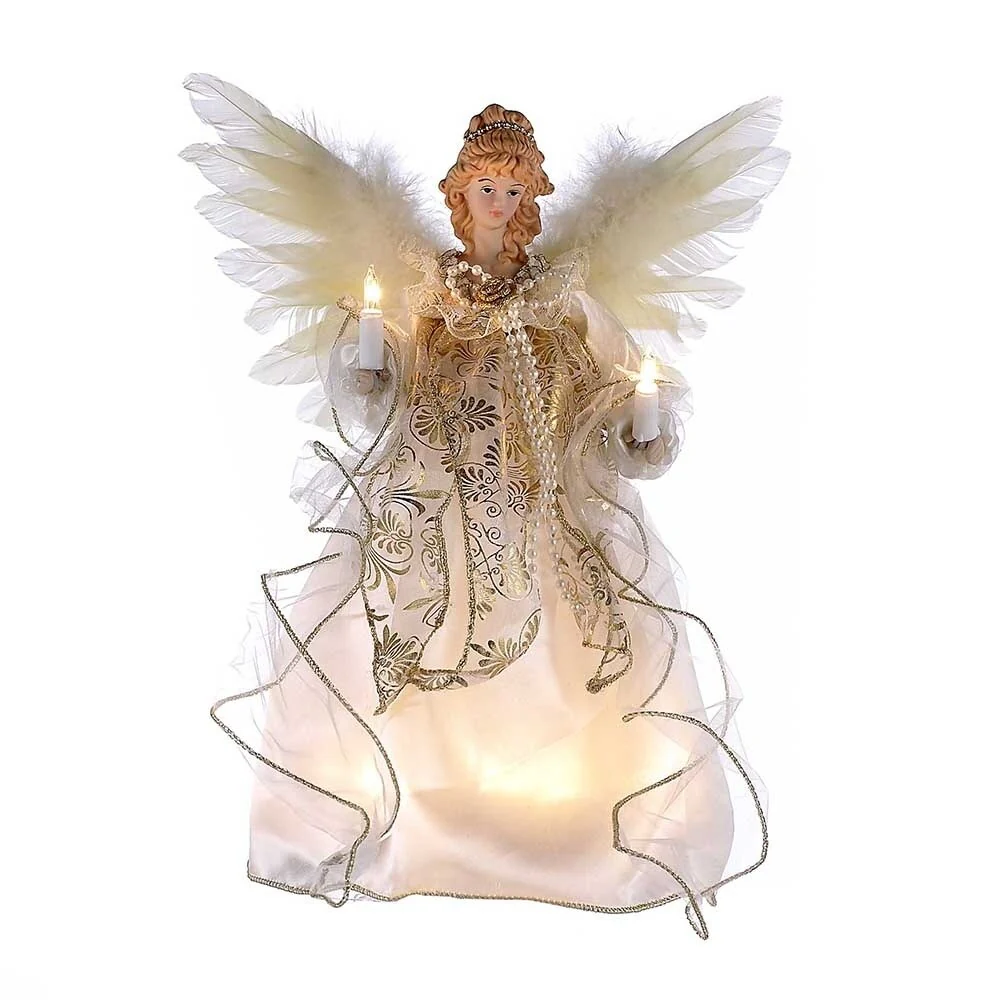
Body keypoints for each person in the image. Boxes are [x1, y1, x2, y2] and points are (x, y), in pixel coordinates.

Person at [181, 74, 789, 937]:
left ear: (530, 199)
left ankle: (562, 821)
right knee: (409, 632)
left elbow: (616, 388)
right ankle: (420, 809)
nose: (498, 205)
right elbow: (383, 383)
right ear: (460, 195)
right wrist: (370, 360)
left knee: (565, 653)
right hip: (435, 509)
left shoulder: (563, 298)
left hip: (541, 510)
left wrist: (640, 423)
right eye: (484, 189)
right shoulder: (428, 291)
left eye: (512, 190)